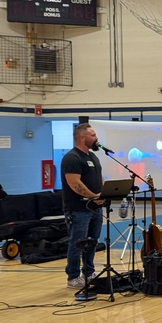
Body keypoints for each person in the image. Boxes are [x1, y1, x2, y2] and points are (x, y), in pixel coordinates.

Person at [61, 122, 104, 289]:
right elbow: (74, 183)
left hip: (95, 208)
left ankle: (89, 272)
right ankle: (73, 276)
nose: (96, 138)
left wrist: (104, 193)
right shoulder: (72, 158)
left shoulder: (93, 157)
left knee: (92, 241)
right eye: (93, 135)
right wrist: (93, 196)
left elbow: (99, 179)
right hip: (78, 210)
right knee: (77, 242)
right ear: (82, 138)